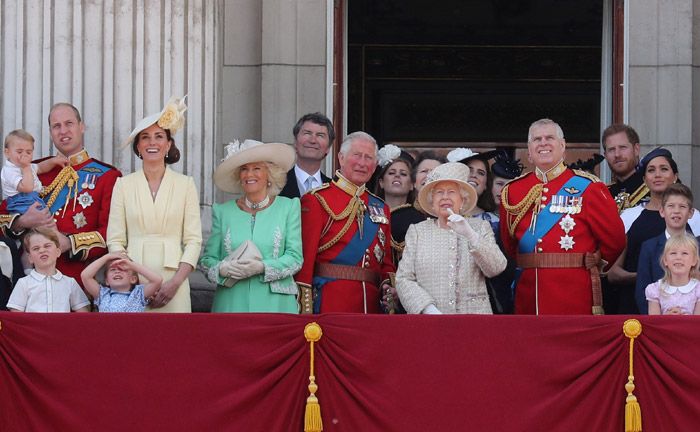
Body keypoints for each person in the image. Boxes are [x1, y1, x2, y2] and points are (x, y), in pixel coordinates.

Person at [499, 118, 625, 315]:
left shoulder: (589, 187)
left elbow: (615, 240)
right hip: (528, 293)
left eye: (550, 137)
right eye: (536, 139)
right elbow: (510, 244)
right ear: (529, 151)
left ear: (562, 146)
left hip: (574, 292)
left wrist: (591, 263)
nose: (543, 143)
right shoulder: (513, 190)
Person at [0, 103, 122, 286]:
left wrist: (69, 243)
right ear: (50, 132)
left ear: (81, 127)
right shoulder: (32, 170)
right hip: (28, 280)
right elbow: (3, 215)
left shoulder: (107, 176)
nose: (63, 131)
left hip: (75, 280)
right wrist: (22, 222)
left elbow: (112, 235)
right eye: (56, 126)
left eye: (69, 123)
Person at [107, 96, 202, 313]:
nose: (152, 142)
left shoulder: (185, 184)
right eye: (145, 137)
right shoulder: (123, 185)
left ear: (168, 145)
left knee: (174, 343)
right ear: (138, 146)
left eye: (159, 136)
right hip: (133, 281)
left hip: (174, 280)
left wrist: (175, 283)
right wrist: (130, 281)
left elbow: (193, 240)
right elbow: (115, 239)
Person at [295, 131, 395, 314]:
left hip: (371, 308)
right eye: (357, 155)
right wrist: (304, 307)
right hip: (330, 303)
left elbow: (386, 262)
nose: (362, 163)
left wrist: (387, 287)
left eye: (369, 158)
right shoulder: (317, 200)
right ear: (341, 158)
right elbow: (305, 260)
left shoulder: (381, 207)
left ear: (375, 166)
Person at [199, 139, 302, 313]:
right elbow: (207, 261)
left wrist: (263, 267)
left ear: (269, 174)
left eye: (256, 168)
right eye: (244, 169)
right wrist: (222, 269)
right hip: (232, 305)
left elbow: (295, 258)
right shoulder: (223, 211)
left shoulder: (289, 207)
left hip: (276, 305)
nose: (249, 175)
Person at [395, 162, 506, 314]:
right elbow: (403, 279)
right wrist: (428, 310)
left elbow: (496, 268)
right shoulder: (417, 232)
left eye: (452, 192)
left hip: (474, 322)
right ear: (432, 201)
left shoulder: (480, 227)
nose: (445, 197)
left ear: (463, 199)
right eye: (439, 192)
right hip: (429, 322)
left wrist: (470, 235)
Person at [608, 148, 700, 313]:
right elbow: (614, 272)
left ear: (675, 176)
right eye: (651, 170)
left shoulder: (696, 219)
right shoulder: (630, 217)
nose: (657, 175)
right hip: (644, 312)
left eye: (664, 169)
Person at [636, 184, 698, 313]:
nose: (676, 211)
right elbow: (642, 291)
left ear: (691, 213)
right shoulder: (649, 247)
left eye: (682, 206)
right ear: (662, 211)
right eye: (671, 206)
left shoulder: (698, 246)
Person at [6, 227, 89, 312]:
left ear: (58, 252)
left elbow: (83, 313)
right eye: (36, 248)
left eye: (47, 246)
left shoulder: (70, 283)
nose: (42, 250)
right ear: (30, 258)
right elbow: (16, 314)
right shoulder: (23, 283)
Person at [374, 144, 425, 266]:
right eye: (391, 173)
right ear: (381, 182)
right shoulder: (368, 213)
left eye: (403, 174)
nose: (397, 176)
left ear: (412, 185)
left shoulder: (418, 219)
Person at [2, 129, 67, 214]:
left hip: (32, 198)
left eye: (28, 152)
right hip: (20, 202)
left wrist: (53, 161)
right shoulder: (9, 170)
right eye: (19, 151)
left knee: (46, 219)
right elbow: (27, 188)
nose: (24, 155)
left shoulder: (27, 166)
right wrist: (25, 168)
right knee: (41, 221)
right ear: (7, 153)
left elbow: (40, 168)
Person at [81, 252, 163, 313]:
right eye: (113, 269)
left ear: (133, 279)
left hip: (132, 333)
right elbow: (85, 276)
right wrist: (106, 257)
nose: (117, 272)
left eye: (122, 269)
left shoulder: (138, 294)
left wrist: (131, 265)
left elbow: (157, 280)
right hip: (108, 333)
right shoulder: (102, 294)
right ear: (107, 281)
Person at [279, 112, 334, 198]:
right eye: (307, 133)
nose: (313, 140)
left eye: (320, 135)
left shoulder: (335, 189)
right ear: (295, 142)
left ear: (328, 148)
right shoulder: (276, 185)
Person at [645, 232, 700, 315]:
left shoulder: (698, 290)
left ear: (694, 261)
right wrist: (668, 318)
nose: (678, 257)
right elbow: (654, 323)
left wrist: (682, 318)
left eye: (684, 253)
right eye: (673, 253)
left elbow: (697, 324)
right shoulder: (655, 290)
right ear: (665, 260)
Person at [447, 148, 499, 232]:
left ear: (486, 185)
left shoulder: (495, 222)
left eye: (481, 173)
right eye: (469, 170)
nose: (474, 175)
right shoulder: (441, 216)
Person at [602, 124, 648, 213]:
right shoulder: (603, 194)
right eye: (611, 150)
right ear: (605, 156)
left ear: (636, 149)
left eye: (622, 147)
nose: (617, 154)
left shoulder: (654, 189)